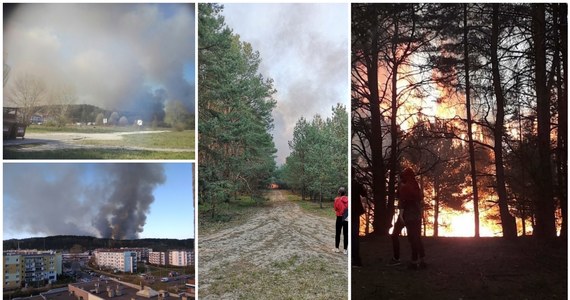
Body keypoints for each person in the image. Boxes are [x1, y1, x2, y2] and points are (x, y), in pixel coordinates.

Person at [399, 167, 426, 269]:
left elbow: (402, 200)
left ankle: (414, 262)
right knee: (417, 238)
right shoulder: (416, 185)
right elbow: (420, 197)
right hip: (417, 214)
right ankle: (422, 259)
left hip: (410, 215)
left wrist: (401, 215)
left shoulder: (405, 187)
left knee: (412, 238)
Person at [351, 173, 366, 266]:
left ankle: (353, 258)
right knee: (354, 236)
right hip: (355, 212)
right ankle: (356, 259)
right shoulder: (356, 184)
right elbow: (364, 193)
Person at [333, 187, 349, 254]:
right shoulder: (348, 199)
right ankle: (345, 250)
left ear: (339, 193)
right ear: (345, 193)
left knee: (338, 233)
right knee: (346, 234)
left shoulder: (337, 199)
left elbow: (336, 208)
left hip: (339, 217)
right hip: (346, 218)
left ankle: (337, 248)